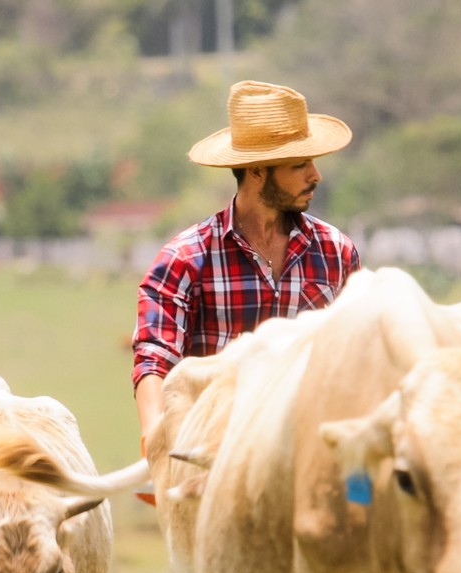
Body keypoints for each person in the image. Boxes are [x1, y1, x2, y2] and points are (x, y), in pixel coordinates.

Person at [131, 79, 360, 446]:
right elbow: (155, 356)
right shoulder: (184, 260)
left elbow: (357, 357)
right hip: (212, 452)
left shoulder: (337, 253)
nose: (315, 175)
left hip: (308, 451)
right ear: (256, 171)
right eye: (299, 164)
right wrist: (154, 434)